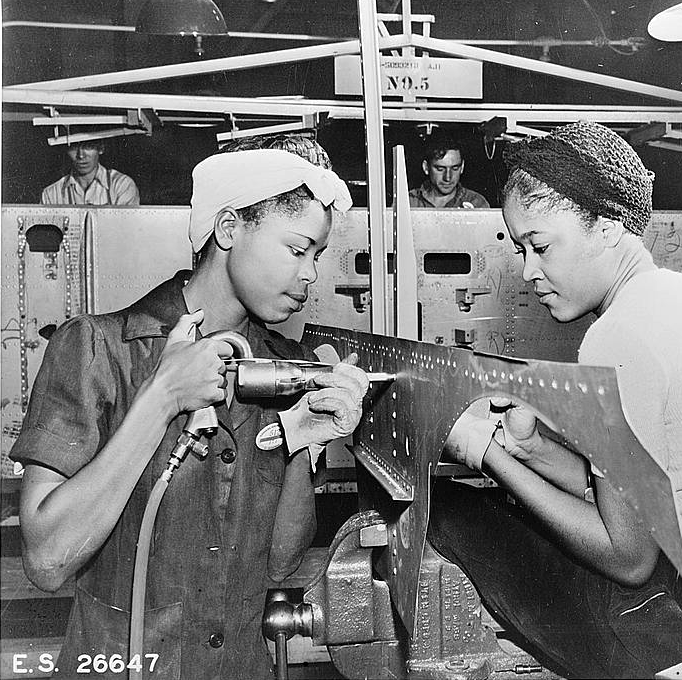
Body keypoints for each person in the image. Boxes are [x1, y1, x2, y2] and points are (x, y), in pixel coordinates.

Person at [430, 121, 682, 679]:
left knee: (451, 511)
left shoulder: (618, 336)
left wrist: (486, 454)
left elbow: (629, 557)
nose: (529, 272)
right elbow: (647, 492)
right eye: (521, 248)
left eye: (541, 246)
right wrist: (531, 450)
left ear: (607, 226)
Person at [11, 135, 368, 680]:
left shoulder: (280, 366)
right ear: (228, 229)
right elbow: (46, 560)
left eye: (317, 255)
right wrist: (162, 399)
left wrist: (304, 444)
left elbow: (280, 561)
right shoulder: (97, 349)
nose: (310, 275)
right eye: (297, 250)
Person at [41, 140, 140, 205]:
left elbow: (126, 231)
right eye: (74, 147)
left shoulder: (122, 185)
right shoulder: (51, 194)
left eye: (88, 147)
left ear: (101, 149)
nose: (81, 155)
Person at [408, 134, 490, 209]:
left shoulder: (476, 203)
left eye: (455, 168)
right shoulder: (409, 202)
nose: (448, 177)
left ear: (462, 167)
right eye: (440, 169)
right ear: (426, 167)